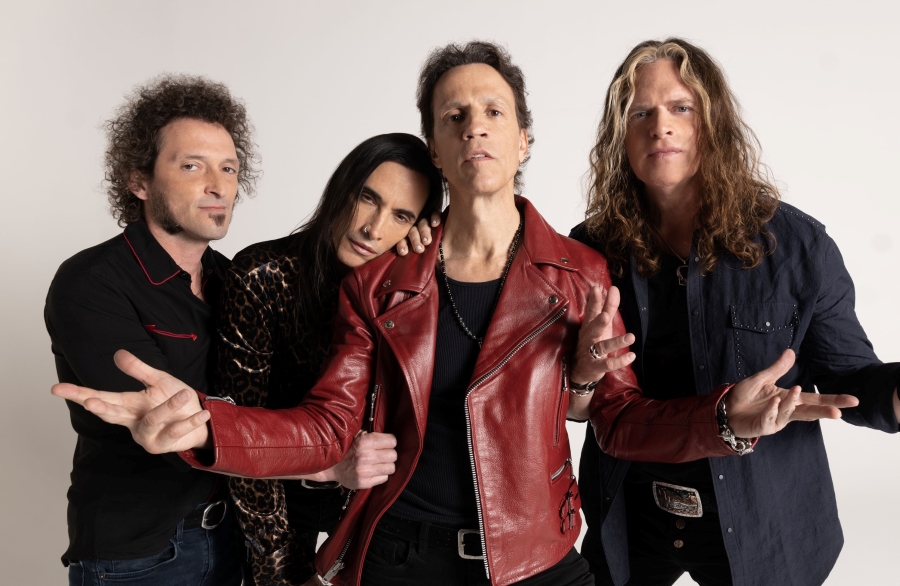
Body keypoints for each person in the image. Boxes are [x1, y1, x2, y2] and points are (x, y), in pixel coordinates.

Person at [52, 42, 855, 586]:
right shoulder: (380, 285)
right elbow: (328, 427)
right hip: (401, 556)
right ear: (435, 149)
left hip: (538, 557)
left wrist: (725, 420)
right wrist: (210, 428)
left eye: (494, 112)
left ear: (524, 139)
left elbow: (616, 422)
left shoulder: (580, 271)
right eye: (453, 115)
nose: (476, 126)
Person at [572, 38, 900, 586]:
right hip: (630, 516)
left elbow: (848, 378)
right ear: (619, 136)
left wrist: (894, 394)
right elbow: (581, 402)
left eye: (681, 107)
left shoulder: (797, 247)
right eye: (640, 113)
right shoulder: (588, 252)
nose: (661, 127)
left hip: (761, 522)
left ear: (714, 123)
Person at [44, 74, 259, 586]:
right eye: (192, 166)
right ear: (139, 182)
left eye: (229, 168)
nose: (218, 185)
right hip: (140, 556)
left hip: (234, 536)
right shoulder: (90, 281)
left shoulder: (236, 279)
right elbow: (172, 422)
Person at [220, 133, 442, 585]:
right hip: (277, 506)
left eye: (401, 216)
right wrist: (280, 573)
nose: (374, 229)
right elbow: (240, 432)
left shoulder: (413, 293)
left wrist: (438, 251)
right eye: (368, 199)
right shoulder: (262, 275)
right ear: (342, 189)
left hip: (378, 516)